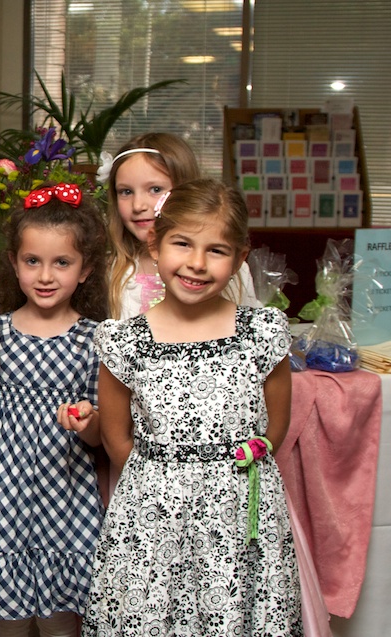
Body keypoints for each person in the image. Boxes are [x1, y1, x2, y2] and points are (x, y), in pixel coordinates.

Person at [83, 178, 301, 636]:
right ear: (155, 244)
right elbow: (117, 439)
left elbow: (276, 425)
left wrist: (228, 479)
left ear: (239, 258)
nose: (197, 263)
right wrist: (163, 487)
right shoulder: (125, 342)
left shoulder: (261, 333)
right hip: (153, 522)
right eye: (182, 243)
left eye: (216, 250)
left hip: (238, 522)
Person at [0, 183, 108, 637]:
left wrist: (86, 422)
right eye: (32, 261)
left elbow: (100, 435)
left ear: (85, 270)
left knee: (61, 623)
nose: (45, 276)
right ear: (14, 263)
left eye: (62, 262)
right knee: (8, 622)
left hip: (65, 493)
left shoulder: (95, 339)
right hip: (3, 492)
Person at [102, 132, 258, 320]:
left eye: (155, 189)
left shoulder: (231, 270)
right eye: (126, 192)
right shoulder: (110, 272)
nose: (138, 206)